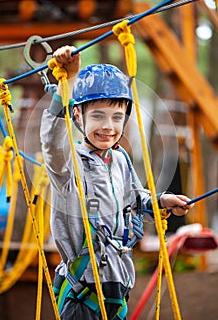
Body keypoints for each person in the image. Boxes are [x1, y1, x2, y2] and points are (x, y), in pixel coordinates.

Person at [40, 45, 194, 320]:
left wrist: (160, 200)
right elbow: (52, 145)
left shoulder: (119, 159)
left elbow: (135, 199)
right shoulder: (69, 163)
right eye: (97, 116)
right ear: (78, 115)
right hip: (83, 293)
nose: (108, 126)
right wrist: (69, 81)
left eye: (116, 117)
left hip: (117, 288)